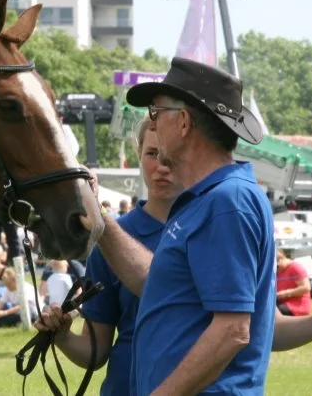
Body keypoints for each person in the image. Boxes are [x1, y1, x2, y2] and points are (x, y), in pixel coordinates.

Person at [38, 117, 312, 395]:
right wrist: (63, 336)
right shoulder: (115, 239)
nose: (162, 164)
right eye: (152, 153)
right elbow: (99, 348)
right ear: (138, 155)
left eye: (165, 152)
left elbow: (257, 328)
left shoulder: (223, 212)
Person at [85, 57, 277, 395]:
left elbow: (233, 329)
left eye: (157, 114)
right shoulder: (207, 200)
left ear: (184, 122)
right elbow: (161, 288)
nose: (153, 125)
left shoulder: (226, 201)